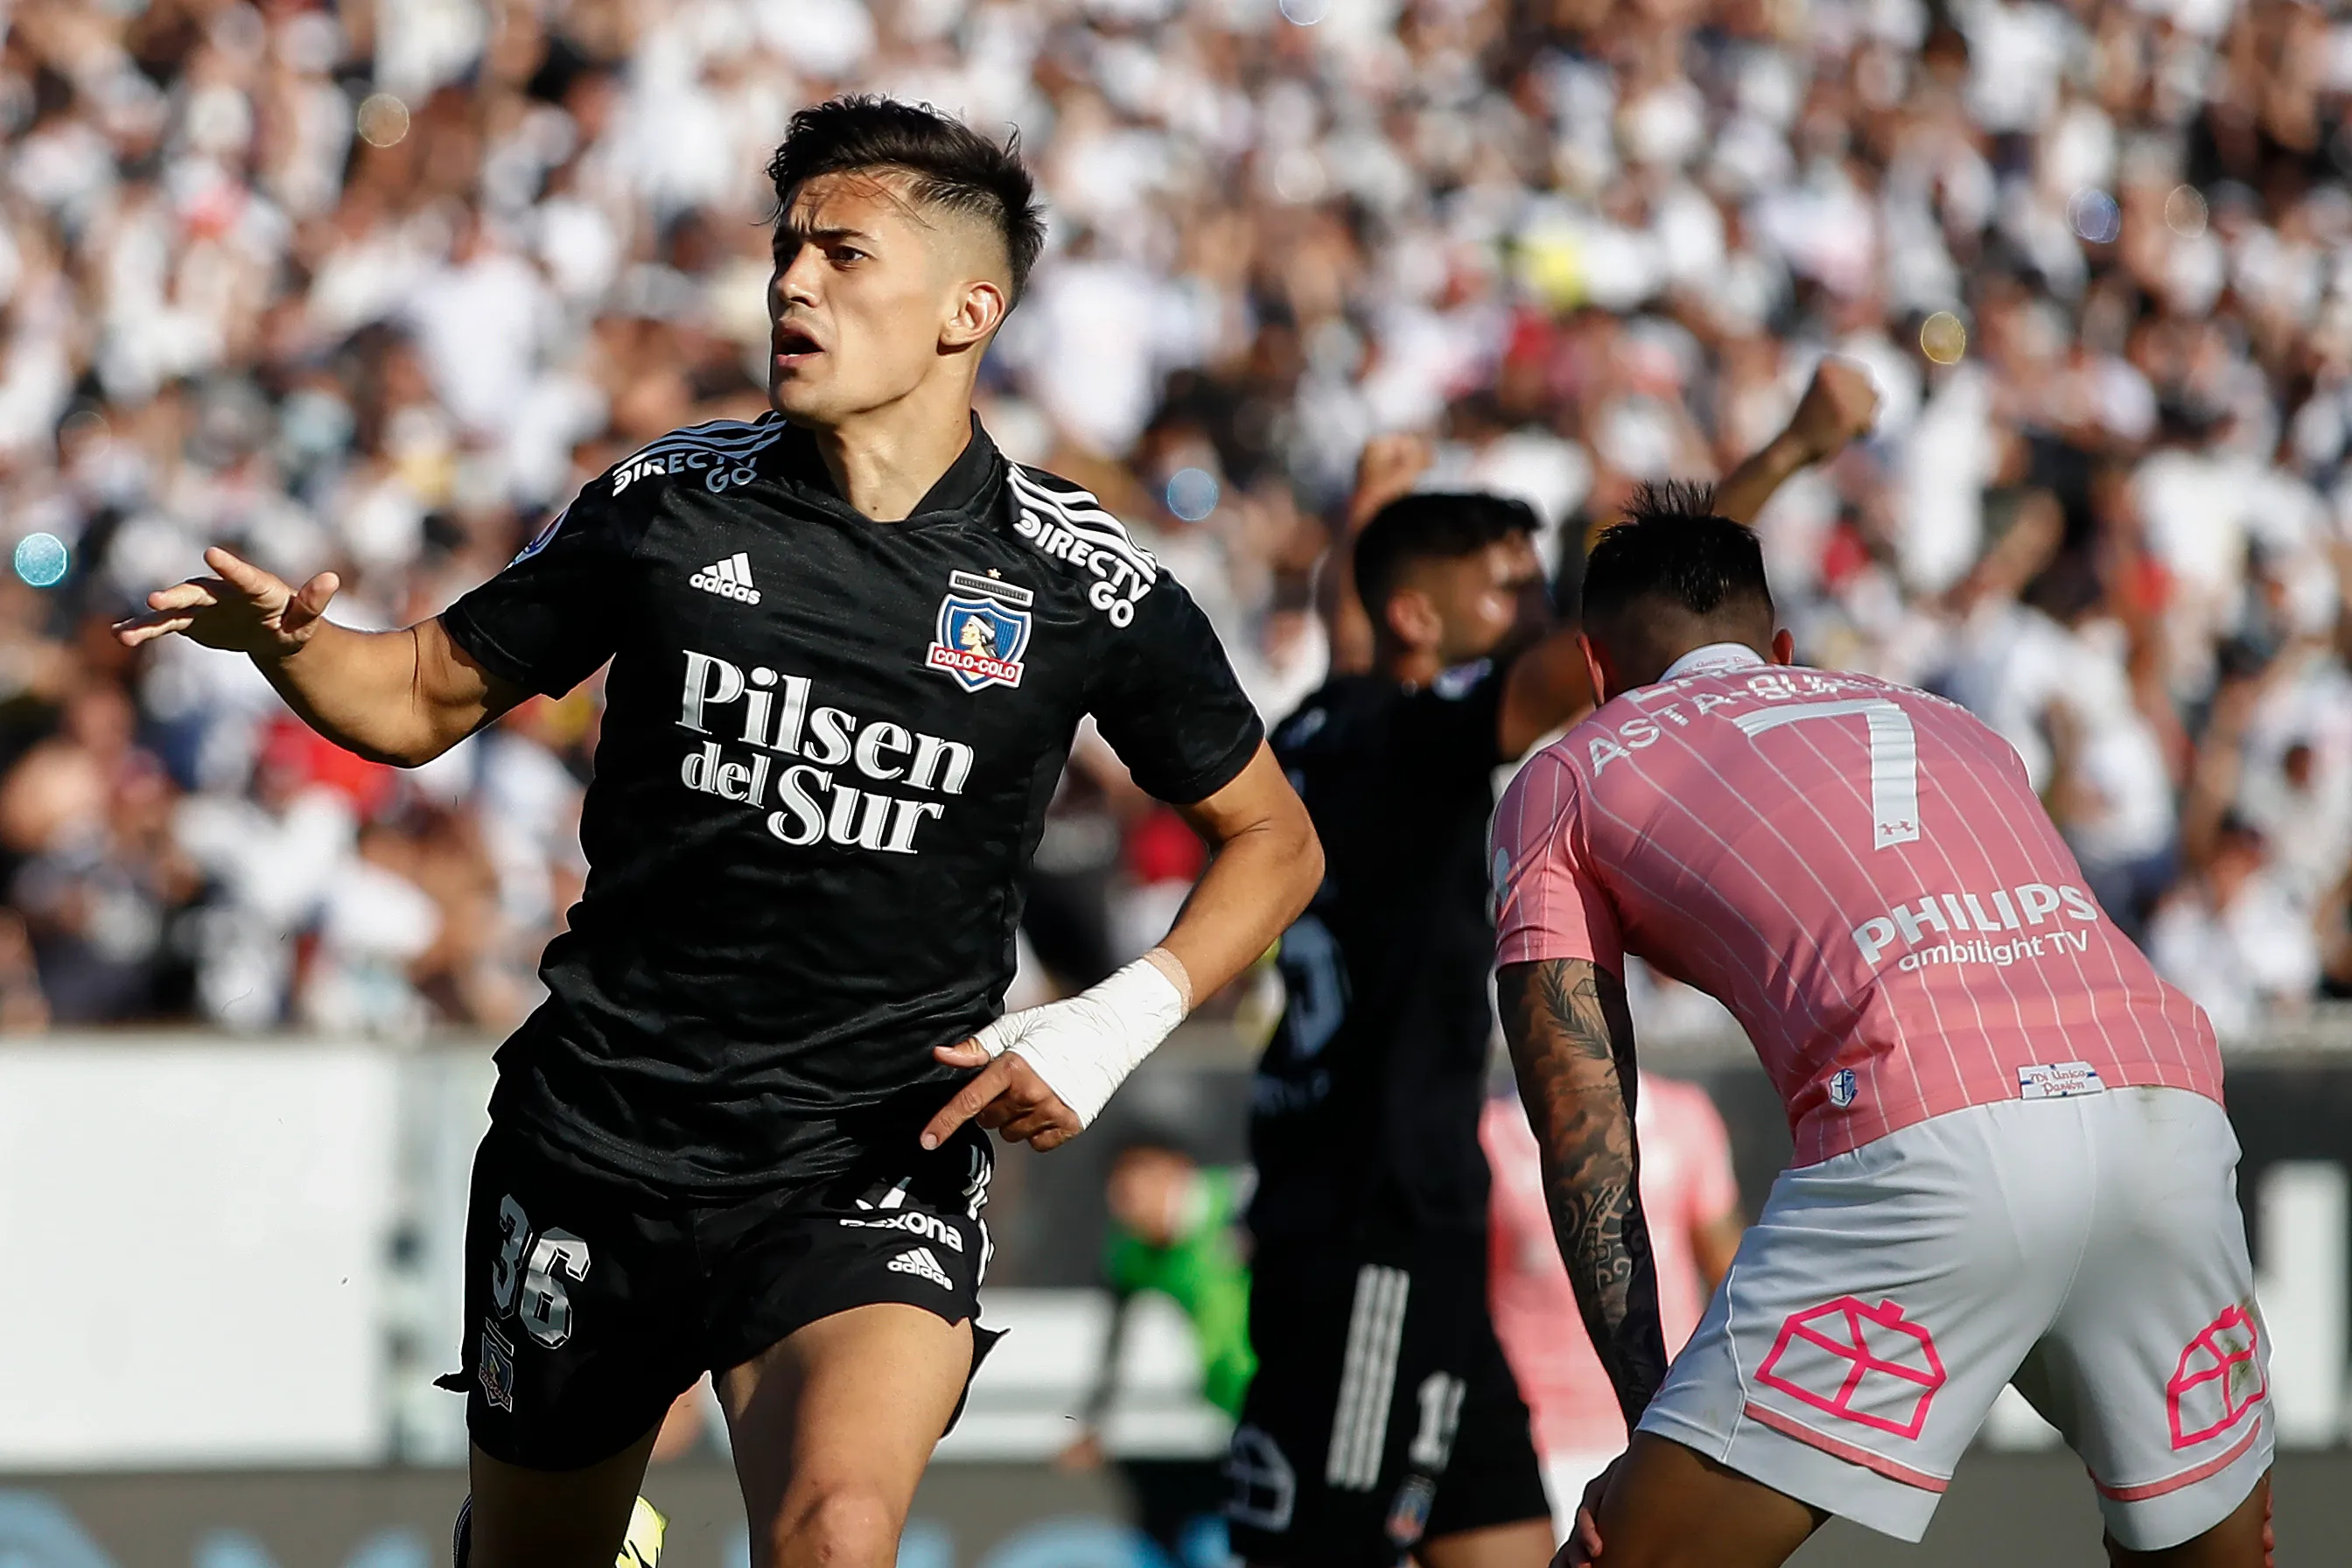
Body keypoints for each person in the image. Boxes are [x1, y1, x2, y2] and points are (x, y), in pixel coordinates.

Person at [116, 96, 1322, 1568]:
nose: (791, 284)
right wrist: (290, 647)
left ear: (969, 310)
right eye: (784, 250)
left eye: (842, 255)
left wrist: (1110, 1022)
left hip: (864, 1157)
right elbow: (421, 693)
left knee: (837, 1532)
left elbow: (1275, 837)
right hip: (599, 1138)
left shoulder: (1078, 578)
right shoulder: (670, 501)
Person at [1490, 493, 2272, 1567]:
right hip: (2169, 1114)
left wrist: (1649, 1424)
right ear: (1781, 650)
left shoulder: (1567, 771)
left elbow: (1584, 1124)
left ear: (1593, 669)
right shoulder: (1955, 721)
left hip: (1931, 1138)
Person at [1225, 361, 1879, 1568]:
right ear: (1421, 619)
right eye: (1508, 589)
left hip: (1388, 1210)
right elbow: (1659, 631)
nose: (1537, 612)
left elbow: (1359, 614)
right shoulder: (1418, 739)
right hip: (1378, 1217)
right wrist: (1790, 449)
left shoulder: (1332, 718)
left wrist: (1368, 515)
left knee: (1507, 1543)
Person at [1478, 1075, 1740, 1543]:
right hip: (1539, 1442)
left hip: (1665, 1429)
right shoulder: (1488, 1131)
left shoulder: (1686, 1117)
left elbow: (1729, 1273)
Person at [1059, 1136, 1256, 1470]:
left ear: (1178, 1168)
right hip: (1234, 1404)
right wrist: (1093, 1422)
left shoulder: (1239, 1206)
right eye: (1117, 1178)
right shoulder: (1129, 1253)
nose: (1128, 1192)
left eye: (1142, 1172)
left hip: (1299, 1393)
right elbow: (1114, 1341)